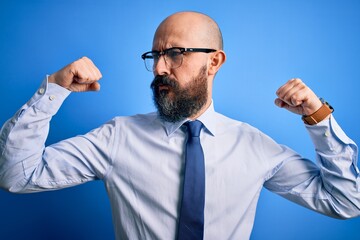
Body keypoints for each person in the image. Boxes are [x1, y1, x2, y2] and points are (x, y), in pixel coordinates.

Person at [0, 11, 359, 240]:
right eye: (154, 55)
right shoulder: (117, 137)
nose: (159, 68)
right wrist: (55, 89)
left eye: (175, 54)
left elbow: (346, 202)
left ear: (214, 62)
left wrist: (319, 120)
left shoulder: (255, 146)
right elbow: (16, 175)